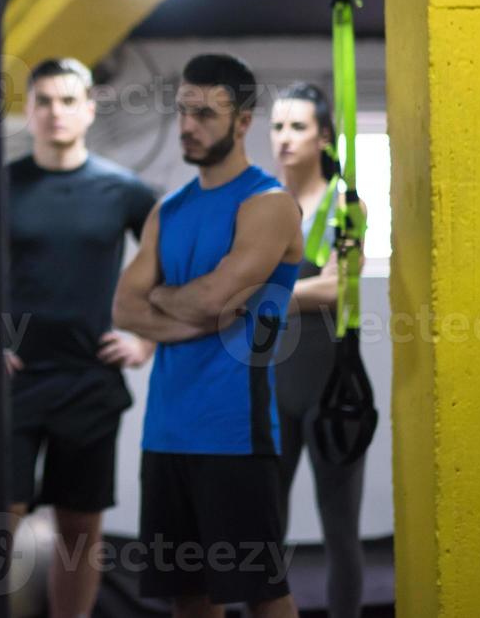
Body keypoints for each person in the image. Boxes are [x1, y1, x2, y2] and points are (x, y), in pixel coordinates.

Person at [0, 57, 157, 618]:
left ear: (88, 108)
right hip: (8, 383)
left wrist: (145, 341)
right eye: (44, 102)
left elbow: (177, 268)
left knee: (79, 529)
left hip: (89, 380)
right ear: (28, 112)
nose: (55, 112)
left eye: (66, 101)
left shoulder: (125, 191)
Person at [113, 53, 303, 618]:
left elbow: (217, 298)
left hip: (235, 433)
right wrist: (194, 308)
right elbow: (124, 306)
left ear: (243, 122)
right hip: (167, 432)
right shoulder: (167, 211)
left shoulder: (267, 205)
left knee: (262, 591)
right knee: (187, 594)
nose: (188, 126)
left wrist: (170, 298)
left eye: (205, 114)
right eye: (182, 112)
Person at [270, 82, 367, 618]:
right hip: (271, 385)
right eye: (277, 127)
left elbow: (339, 286)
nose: (285, 138)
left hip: (332, 389)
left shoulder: (345, 204)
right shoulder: (259, 204)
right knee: (266, 530)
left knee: (341, 532)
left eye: (298, 127)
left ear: (324, 136)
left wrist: (263, 298)